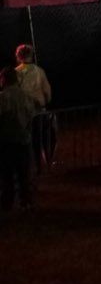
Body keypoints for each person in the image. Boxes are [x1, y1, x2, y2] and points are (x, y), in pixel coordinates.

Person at [0, 67, 36, 210]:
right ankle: (25, 201)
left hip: (7, 140)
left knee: (7, 174)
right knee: (23, 173)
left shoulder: (3, 97)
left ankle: (7, 202)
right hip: (23, 139)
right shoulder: (25, 96)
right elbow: (31, 114)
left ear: (5, 79)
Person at [14, 44, 52, 173]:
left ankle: (28, 167)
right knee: (41, 138)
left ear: (18, 56)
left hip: (23, 113)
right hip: (39, 111)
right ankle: (44, 165)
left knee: (25, 141)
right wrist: (45, 103)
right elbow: (47, 92)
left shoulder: (16, 73)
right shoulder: (39, 71)